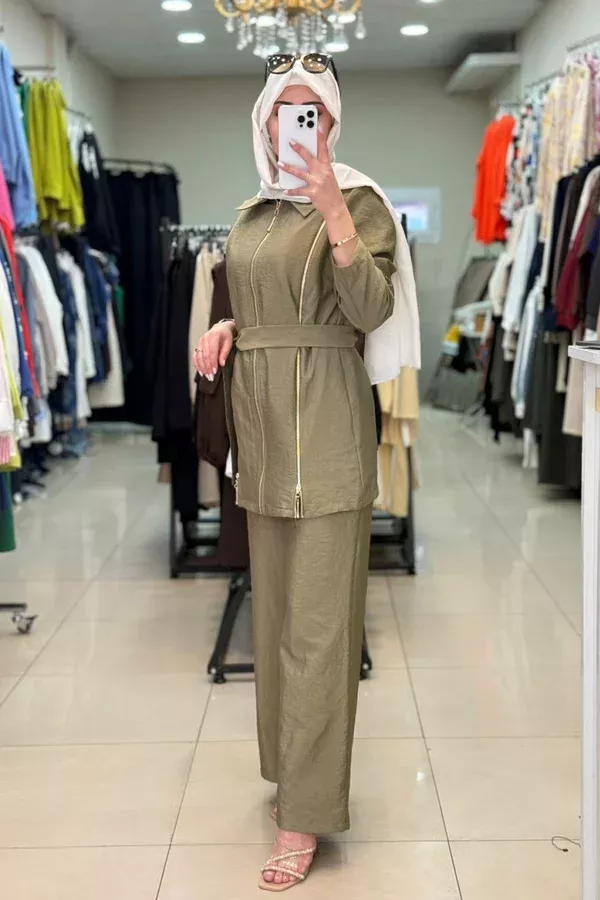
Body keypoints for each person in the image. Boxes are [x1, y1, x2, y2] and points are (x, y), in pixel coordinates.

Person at [193, 53, 419, 892]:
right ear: (263, 122)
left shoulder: (361, 202)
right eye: (285, 110)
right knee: (277, 625)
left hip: (325, 433)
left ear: (331, 123)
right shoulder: (252, 211)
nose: (298, 124)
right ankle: (290, 773)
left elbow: (371, 310)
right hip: (260, 435)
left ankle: (306, 814)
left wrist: (333, 214)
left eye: (312, 112)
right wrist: (227, 329)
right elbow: (253, 301)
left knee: (321, 634)